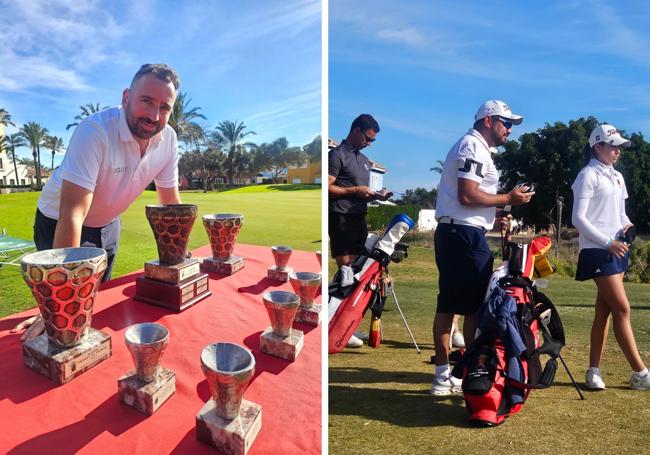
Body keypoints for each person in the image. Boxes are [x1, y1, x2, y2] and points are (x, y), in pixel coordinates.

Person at [11, 63, 182, 340]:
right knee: (66, 309)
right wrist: (58, 303)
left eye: (164, 107)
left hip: (109, 223)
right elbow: (73, 214)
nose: (154, 115)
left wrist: (178, 261)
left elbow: (170, 205)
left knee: (96, 300)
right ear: (126, 97)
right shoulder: (95, 131)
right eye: (147, 101)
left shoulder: (169, 139)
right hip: (59, 221)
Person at [430, 100, 534, 395]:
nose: (510, 130)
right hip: (460, 236)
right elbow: (467, 195)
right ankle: (444, 375)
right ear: (489, 120)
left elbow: (469, 202)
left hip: (464, 232)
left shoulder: (478, 148)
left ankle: (463, 369)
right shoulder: (472, 146)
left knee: (472, 304)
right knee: (453, 305)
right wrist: (506, 199)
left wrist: (496, 214)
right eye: (506, 123)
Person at [572, 123, 650, 391]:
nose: (618, 150)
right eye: (613, 145)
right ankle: (640, 373)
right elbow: (578, 218)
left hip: (616, 249)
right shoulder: (587, 175)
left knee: (603, 313)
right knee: (623, 308)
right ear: (598, 146)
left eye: (619, 146)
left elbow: (620, 214)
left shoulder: (617, 177)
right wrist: (608, 242)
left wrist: (627, 226)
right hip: (598, 251)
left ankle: (593, 371)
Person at [329, 114, 391, 348]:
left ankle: (347, 324)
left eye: (372, 140)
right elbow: (328, 187)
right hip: (341, 217)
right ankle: (336, 326)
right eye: (367, 138)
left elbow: (362, 190)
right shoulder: (336, 155)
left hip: (359, 219)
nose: (369, 143)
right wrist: (354, 190)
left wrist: (377, 195)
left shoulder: (365, 160)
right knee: (345, 274)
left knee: (356, 274)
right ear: (355, 130)